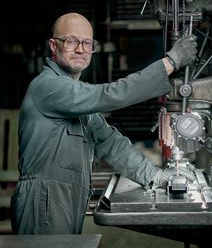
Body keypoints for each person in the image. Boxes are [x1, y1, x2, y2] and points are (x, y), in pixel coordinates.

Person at [11, 12, 197, 234]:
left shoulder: (77, 100)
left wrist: (154, 175)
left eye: (87, 42)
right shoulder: (48, 87)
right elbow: (110, 94)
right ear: (53, 45)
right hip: (43, 200)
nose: (80, 49)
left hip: (65, 199)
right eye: (71, 41)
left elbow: (111, 144)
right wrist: (170, 62)